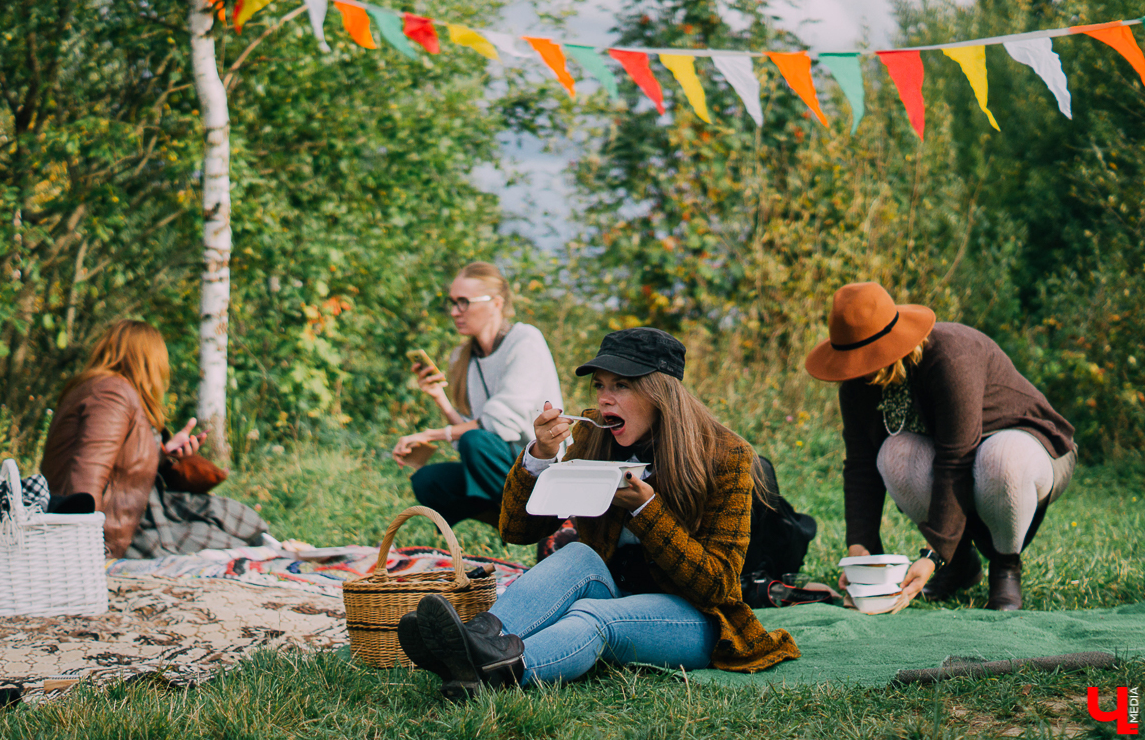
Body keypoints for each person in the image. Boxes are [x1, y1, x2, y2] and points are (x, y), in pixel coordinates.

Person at [396, 327, 799, 701]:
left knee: (594, 615)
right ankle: (474, 640)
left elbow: (719, 586)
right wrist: (539, 457)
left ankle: (499, 671)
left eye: (621, 386)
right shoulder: (595, 438)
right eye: (600, 385)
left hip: (699, 619)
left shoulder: (725, 456)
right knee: (577, 555)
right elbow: (518, 530)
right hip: (618, 586)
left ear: (660, 392)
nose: (605, 399)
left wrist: (645, 509)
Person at [804, 282, 1077, 610]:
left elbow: (956, 459)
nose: (856, 369)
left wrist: (932, 556)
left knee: (1001, 460)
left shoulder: (950, 356)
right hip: (961, 459)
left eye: (864, 358)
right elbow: (861, 463)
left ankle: (1006, 567)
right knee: (894, 455)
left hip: (1029, 447)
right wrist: (860, 547)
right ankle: (962, 565)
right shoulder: (857, 383)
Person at [41, 320, 268, 558]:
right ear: (149, 360)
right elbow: (87, 473)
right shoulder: (111, 393)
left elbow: (117, 459)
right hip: (119, 530)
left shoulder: (102, 389)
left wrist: (163, 452)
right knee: (237, 548)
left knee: (236, 520)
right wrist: (83, 549)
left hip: (132, 513)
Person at [393, 262, 564, 527]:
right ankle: (513, 524)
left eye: (464, 302)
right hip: (502, 468)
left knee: (476, 442)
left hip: (543, 469)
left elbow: (496, 426)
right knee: (428, 481)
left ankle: (552, 524)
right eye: (452, 303)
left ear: (496, 303)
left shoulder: (525, 340)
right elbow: (471, 434)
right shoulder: (464, 357)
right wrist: (439, 397)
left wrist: (429, 434)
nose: (454, 312)